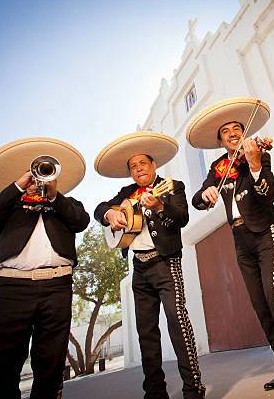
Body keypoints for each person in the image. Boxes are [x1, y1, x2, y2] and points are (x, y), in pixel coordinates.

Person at [187, 98, 274, 399]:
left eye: (237, 128)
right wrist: (207, 192)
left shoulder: (258, 155)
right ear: (220, 140)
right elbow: (197, 201)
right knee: (260, 305)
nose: (232, 133)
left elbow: (266, 195)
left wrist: (254, 163)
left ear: (244, 134)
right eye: (226, 131)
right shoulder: (219, 169)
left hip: (265, 232)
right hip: (240, 239)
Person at [0, 137, 90, 398]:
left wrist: (54, 195)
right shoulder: (10, 205)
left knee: (50, 363)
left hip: (57, 286)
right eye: (36, 173)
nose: (40, 178)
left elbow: (81, 221)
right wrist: (18, 185)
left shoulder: (66, 204)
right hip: (12, 287)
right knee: (1, 365)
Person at [94, 132, 205, 399]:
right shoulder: (126, 193)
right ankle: (155, 392)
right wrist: (110, 214)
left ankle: (193, 389)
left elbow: (181, 218)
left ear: (153, 165)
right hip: (139, 268)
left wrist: (158, 206)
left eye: (143, 163)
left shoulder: (172, 186)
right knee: (146, 332)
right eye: (133, 166)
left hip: (166, 262)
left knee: (178, 323)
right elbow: (99, 209)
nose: (138, 168)